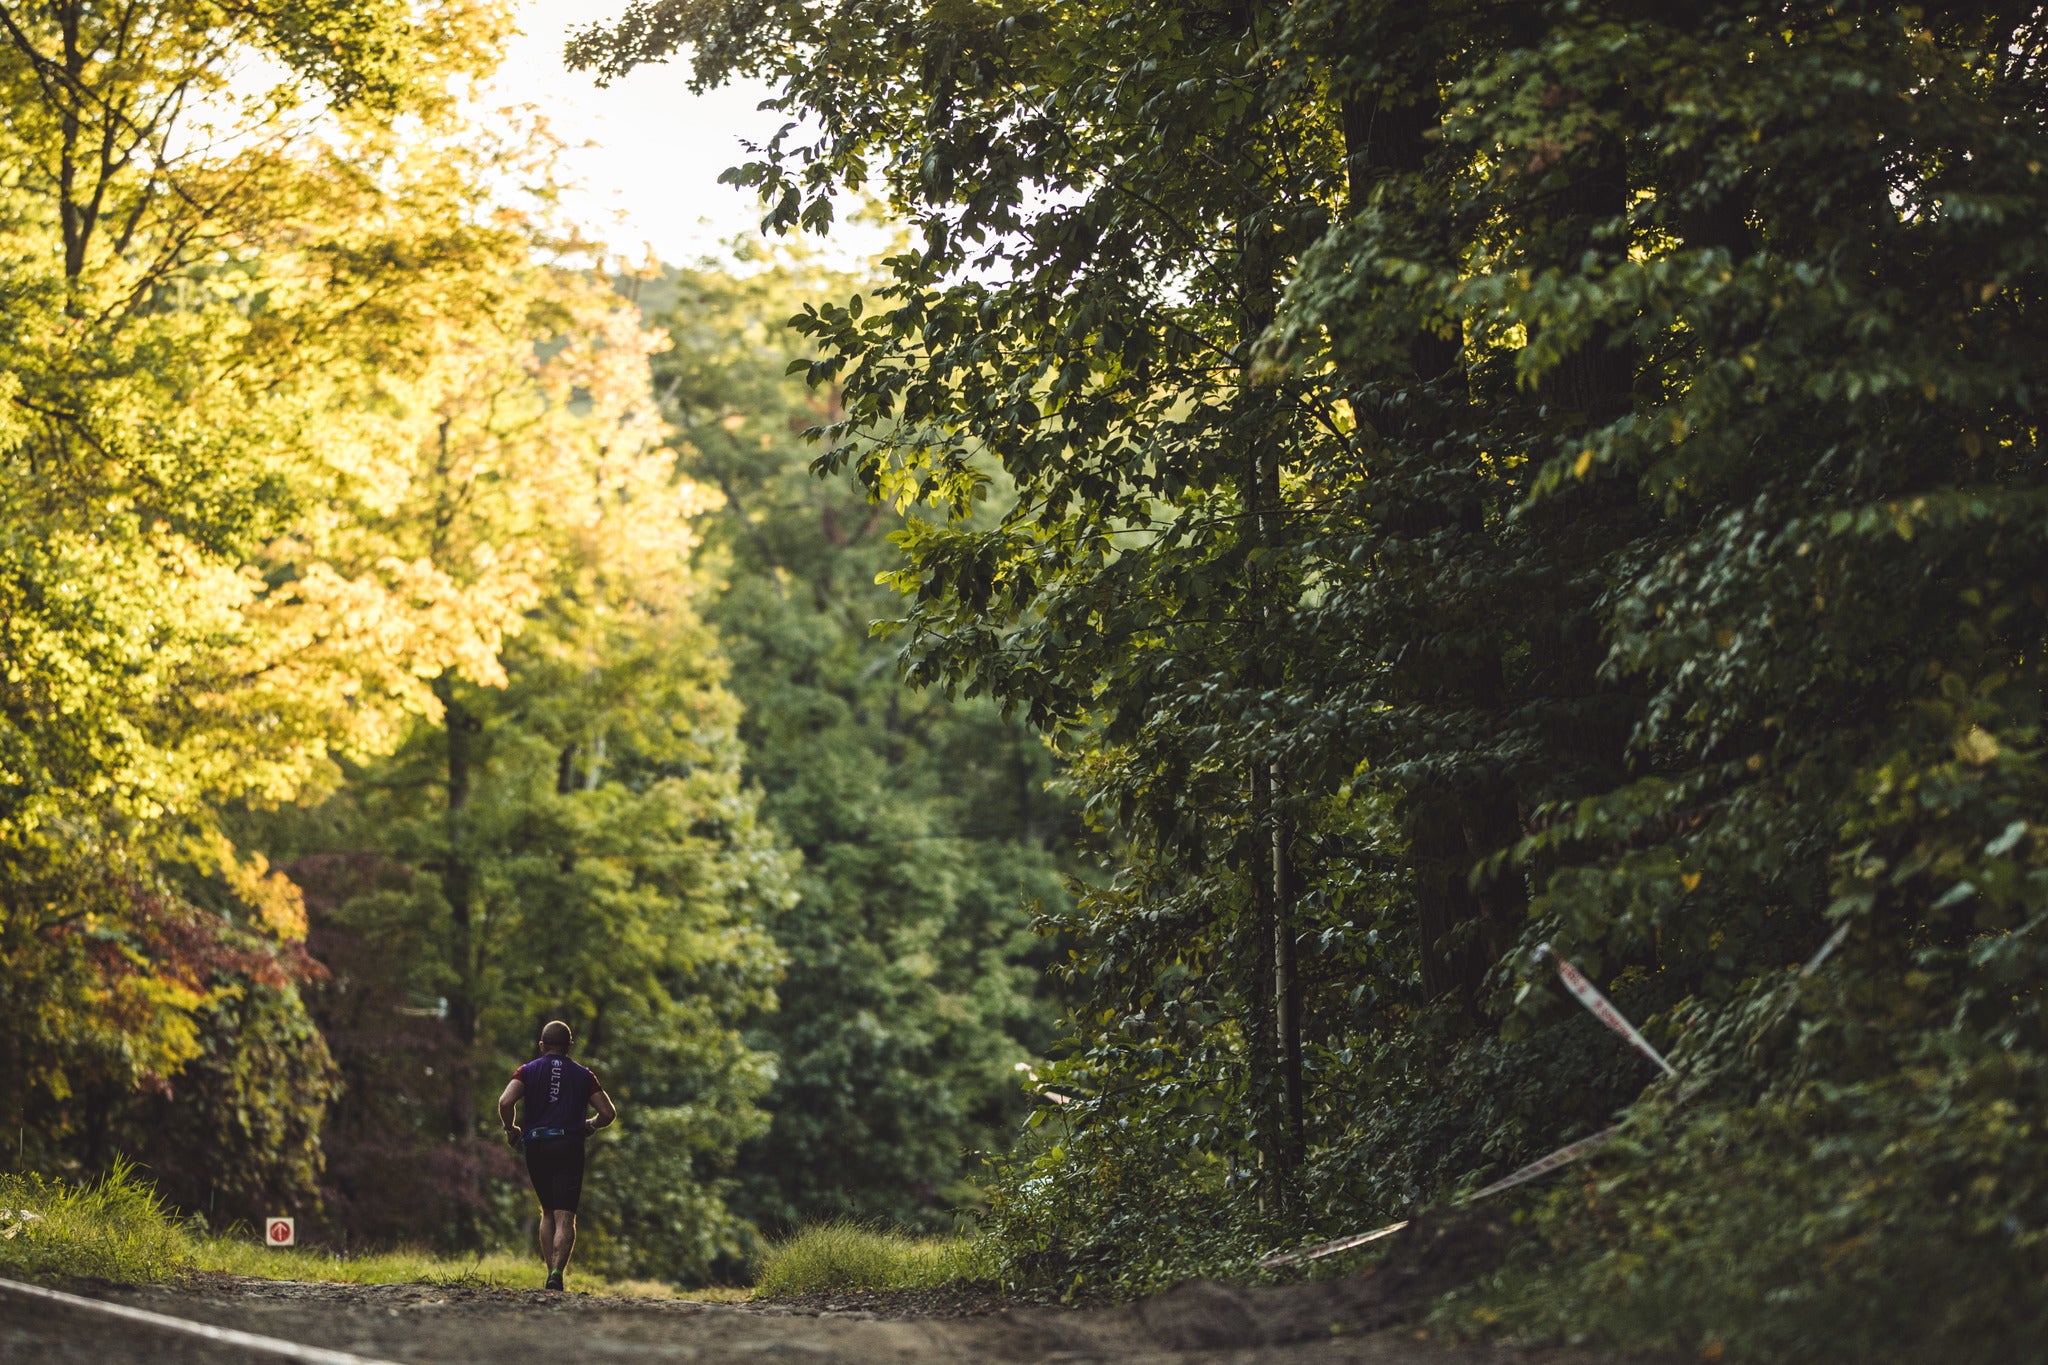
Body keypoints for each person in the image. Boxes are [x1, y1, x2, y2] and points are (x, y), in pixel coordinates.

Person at [497, 1019, 616, 1291]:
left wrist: (509, 1129)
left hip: (536, 1145)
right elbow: (608, 1113)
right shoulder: (585, 1076)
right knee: (566, 1216)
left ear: (542, 1045)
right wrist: (591, 1124)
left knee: (548, 1213)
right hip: (569, 1146)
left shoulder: (526, 1071)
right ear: (569, 1047)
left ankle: (549, 1271)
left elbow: (505, 1101)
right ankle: (556, 1274)